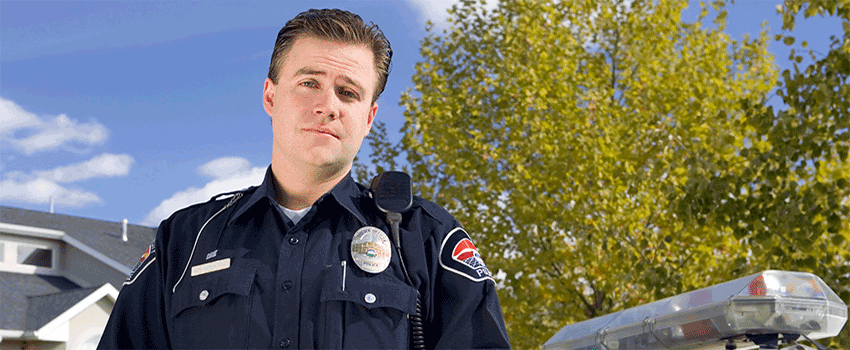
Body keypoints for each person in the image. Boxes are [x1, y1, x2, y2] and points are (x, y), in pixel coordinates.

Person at [98, 8, 511, 350]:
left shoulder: (425, 240)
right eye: (309, 83)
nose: (328, 105)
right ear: (270, 96)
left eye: (348, 92)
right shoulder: (184, 241)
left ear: (368, 118)